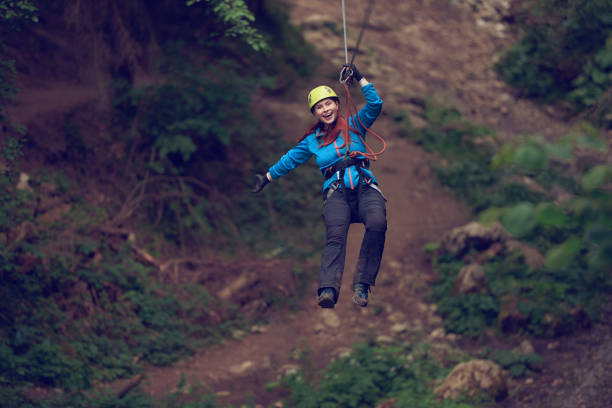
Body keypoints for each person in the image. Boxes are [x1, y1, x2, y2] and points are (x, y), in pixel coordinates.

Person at [252, 64, 386, 309]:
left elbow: (375, 104)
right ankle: (327, 290)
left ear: (337, 104)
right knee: (335, 235)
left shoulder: (355, 124)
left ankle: (363, 285)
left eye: (328, 103)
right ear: (314, 113)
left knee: (377, 223)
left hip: (365, 185)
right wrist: (267, 177)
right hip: (336, 192)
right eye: (319, 107)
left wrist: (361, 78)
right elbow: (289, 159)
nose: (325, 109)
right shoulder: (312, 141)